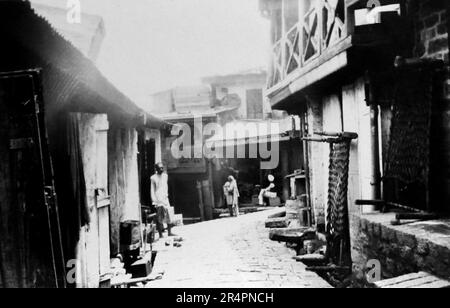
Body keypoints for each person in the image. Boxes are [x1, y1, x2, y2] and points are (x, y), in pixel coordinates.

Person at [151, 162, 176, 238]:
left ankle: (169, 232)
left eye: (162, 168)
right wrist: (154, 201)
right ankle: (160, 235)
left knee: (169, 215)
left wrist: (167, 196)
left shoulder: (165, 176)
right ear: (156, 169)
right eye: (159, 168)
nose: (161, 169)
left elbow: (166, 187)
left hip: (165, 198)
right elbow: (152, 190)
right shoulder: (153, 178)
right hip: (158, 199)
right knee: (159, 218)